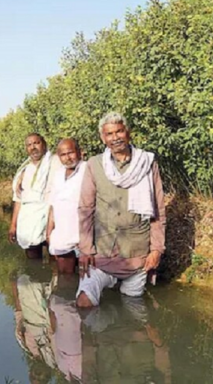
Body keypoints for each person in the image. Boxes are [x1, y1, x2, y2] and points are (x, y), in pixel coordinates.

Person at [75, 112, 166, 308]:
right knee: (84, 302)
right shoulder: (94, 164)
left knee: (133, 306)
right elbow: (85, 208)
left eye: (119, 131)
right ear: (103, 138)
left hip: (136, 251)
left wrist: (157, 249)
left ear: (128, 133)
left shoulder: (146, 162)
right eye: (109, 134)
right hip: (102, 250)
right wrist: (85, 249)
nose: (115, 137)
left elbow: (157, 210)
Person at [9, 133, 61, 259]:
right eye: (29, 145)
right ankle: (34, 276)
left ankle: (57, 277)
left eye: (36, 143)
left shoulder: (56, 161)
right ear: (26, 149)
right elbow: (19, 199)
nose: (33, 147)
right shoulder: (24, 169)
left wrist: (52, 222)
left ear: (44, 144)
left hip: (53, 217)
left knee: (55, 255)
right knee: (32, 257)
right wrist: (13, 226)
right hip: (28, 220)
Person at [45, 138, 86, 274]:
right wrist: (49, 231)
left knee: (86, 276)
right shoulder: (58, 175)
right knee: (65, 275)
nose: (67, 158)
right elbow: (53, 204)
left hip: (83, 234)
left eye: (70, 153)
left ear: (79, 152)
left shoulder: (88, 169)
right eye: (63, 155)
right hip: (62, 233)